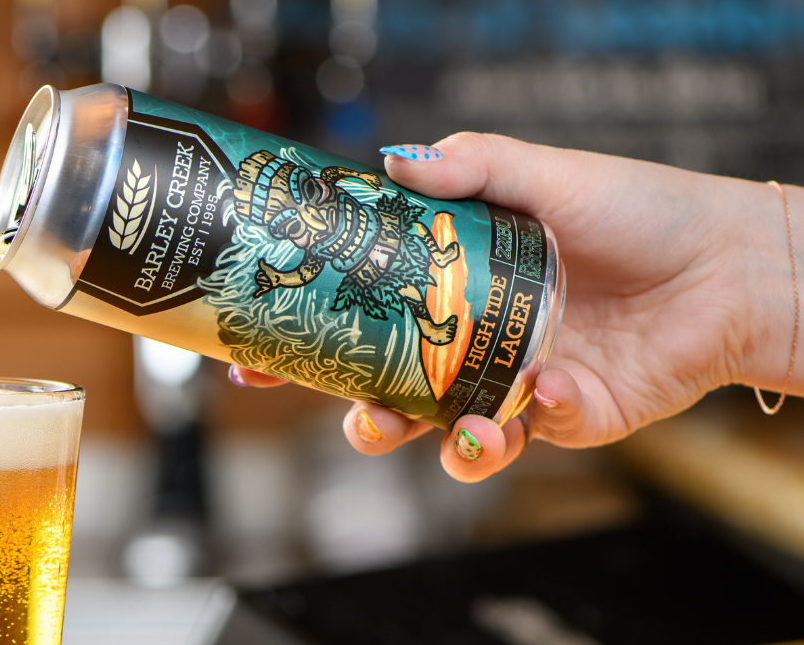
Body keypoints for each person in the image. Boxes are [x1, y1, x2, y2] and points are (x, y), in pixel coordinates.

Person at [228, 133, 801, 483]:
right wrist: (739, 296)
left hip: (429, 250)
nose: (294, 215)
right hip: (413, 281)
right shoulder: (301, 236)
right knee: (395, 306)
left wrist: (733, 266)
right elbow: (305, 269)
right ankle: (432, 318)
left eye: (295, 198)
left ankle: (434, 308)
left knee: (409, 284)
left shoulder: (328, 200)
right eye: (280, 217)